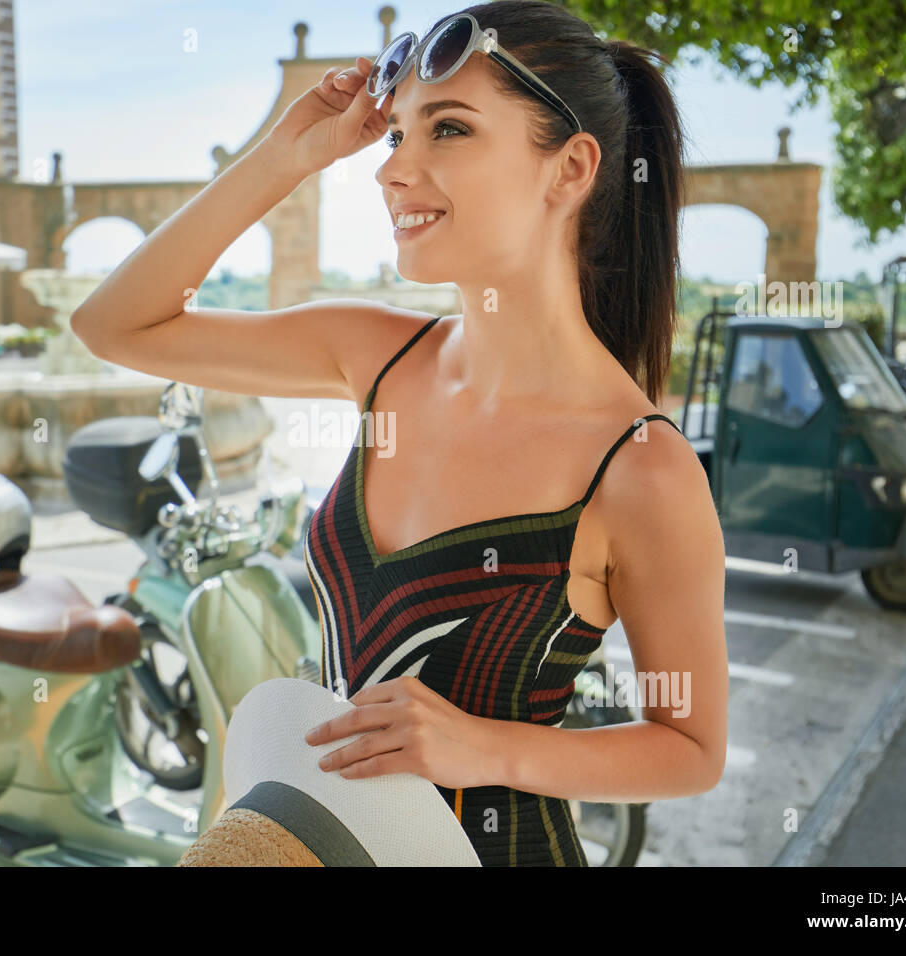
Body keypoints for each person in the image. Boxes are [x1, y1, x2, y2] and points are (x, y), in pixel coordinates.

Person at [72, 0, 727, 866]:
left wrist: (486, 748)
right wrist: (287, 155)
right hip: (318, 842)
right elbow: (116, 324)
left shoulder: (640, 466)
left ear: (568, 169)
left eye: (448, 129)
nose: (394, 170)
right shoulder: (375, 356)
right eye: (394, 137)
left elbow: (692, 750)